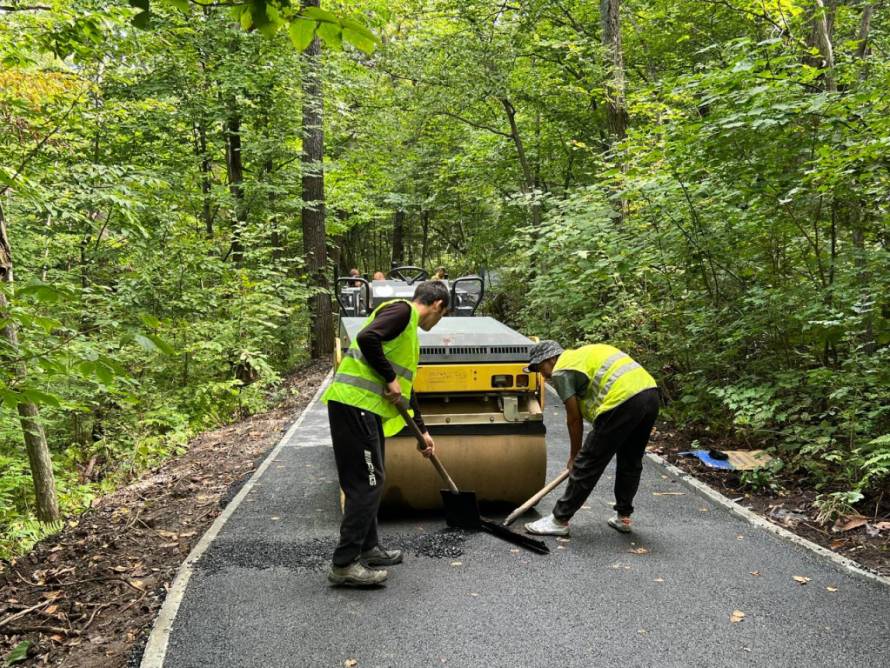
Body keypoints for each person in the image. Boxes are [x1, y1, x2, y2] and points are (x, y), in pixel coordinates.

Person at [322, 281, 451, 586]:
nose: (439, 321)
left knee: (373, 479)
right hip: (354, 405)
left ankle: (369, 549)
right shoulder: (402, 312)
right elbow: (367, 338)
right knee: (366, 483)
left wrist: (423, 430)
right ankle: (344, 564)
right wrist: (389, 377)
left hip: (364, 410)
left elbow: (405, 388)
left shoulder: (407, 333)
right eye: (442, 315)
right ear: (438, 305)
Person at [523, 340, 659, 537]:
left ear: (552, 358)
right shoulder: (582, 356)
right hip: (650, 393)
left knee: (589, 462)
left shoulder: (562, 370)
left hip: (622, 399)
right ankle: (623, 516)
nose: (542, 375)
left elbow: (574, 418)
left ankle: (559, 520)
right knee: (631, 459)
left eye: (540, 367)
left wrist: (575, 456)